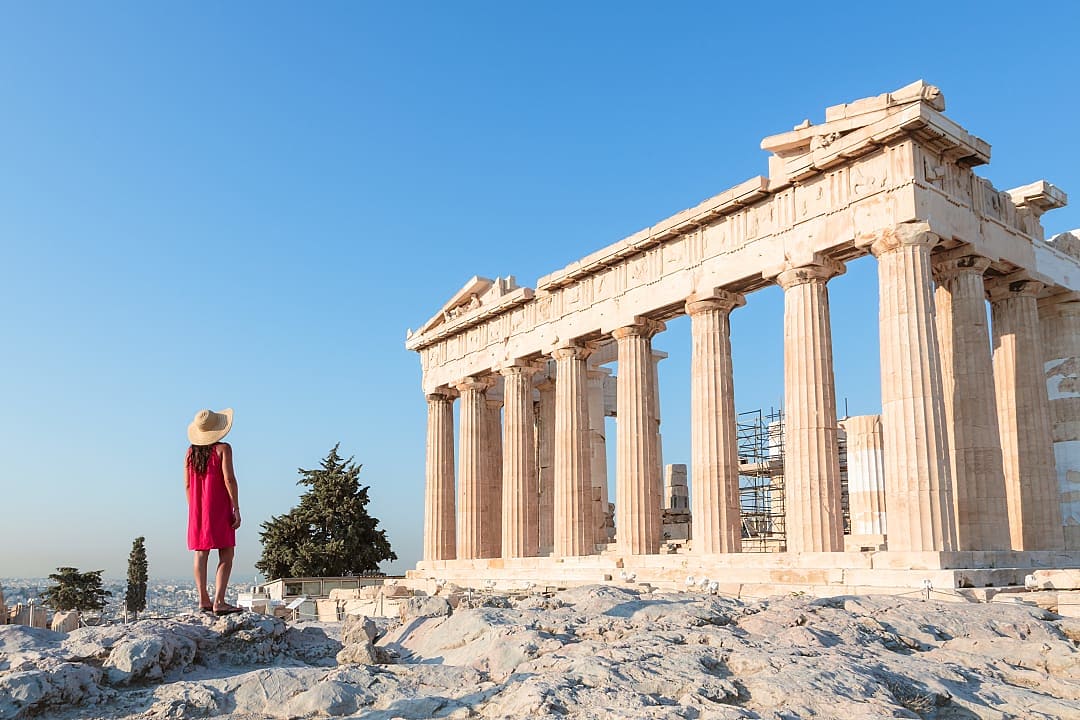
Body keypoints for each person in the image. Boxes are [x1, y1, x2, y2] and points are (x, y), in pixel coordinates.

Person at [185, 408, 242, 615]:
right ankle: (219, 601)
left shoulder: (190, 453)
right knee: (226, 552)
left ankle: (203, 599)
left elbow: (188, 486)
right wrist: (236, 507)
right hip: (218, 506)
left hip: (197, 509)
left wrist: (194, 509)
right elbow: (229, 479)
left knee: (201, 553)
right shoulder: (223, 449)